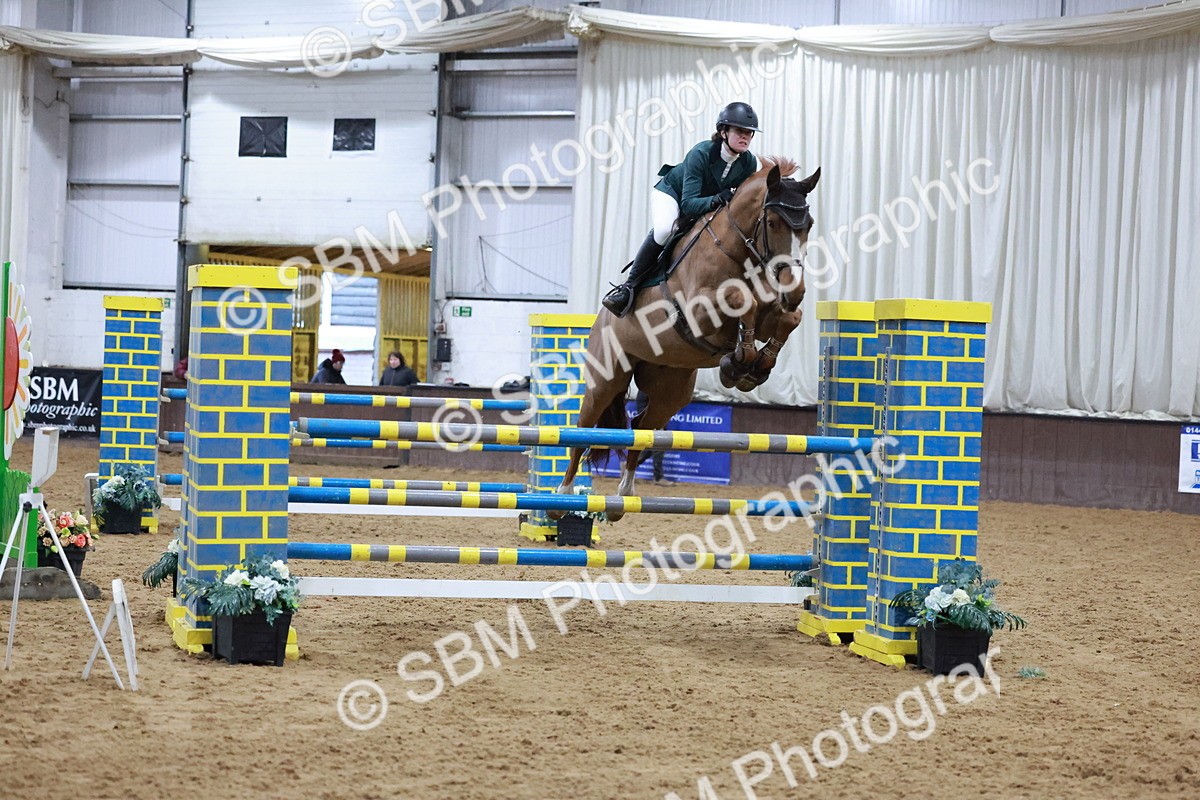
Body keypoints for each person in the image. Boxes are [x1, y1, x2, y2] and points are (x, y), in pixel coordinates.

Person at [602, 101, 762, 318]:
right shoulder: (701, 153)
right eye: (740, 131)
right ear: (723, 132)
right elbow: (688, 203)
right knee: (665, 230)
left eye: (750, 133)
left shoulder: (748, 163)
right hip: (673, 195)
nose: (746, 137)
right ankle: (628, 288)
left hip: (706, 205)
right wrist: (716, 199)